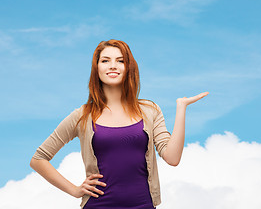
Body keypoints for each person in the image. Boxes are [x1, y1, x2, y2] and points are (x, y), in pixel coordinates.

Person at [30, 39, 209, 209]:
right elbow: (38, 159)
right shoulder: (82, 115)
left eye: (120, 61)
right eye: (105, 60)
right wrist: (75, 190)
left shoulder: (150, 110)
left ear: (128, 68)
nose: (113, 65)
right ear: (97, 68)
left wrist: (181, 108)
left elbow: (172, 158)